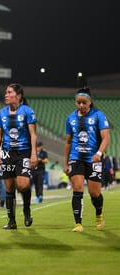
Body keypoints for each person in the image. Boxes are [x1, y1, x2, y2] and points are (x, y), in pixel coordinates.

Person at [64, 87, 110, 232]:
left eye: (84, 102)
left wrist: (99, 153)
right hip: (76, 158)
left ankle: (99, 212)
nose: (81, 106)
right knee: (77, 189)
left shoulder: (98, 116)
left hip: (94, 159)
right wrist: (66, 162)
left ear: (90, 102)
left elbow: (106, 138)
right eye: (78, 103)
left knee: (94, 193)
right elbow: (68, 142)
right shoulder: (70, 118)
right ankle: (78, 223)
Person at [0, 83, 37, 230]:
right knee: (9, 188)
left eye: (9, 92)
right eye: (5, 92)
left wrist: (33, 154)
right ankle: (11, 221)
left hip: (23, 152)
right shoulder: (1, 113)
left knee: (23, 185)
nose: (6, 95)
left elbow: (33, 134)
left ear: (18, 96)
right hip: (7, 153)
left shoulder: (27, 111)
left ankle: (26, 210)